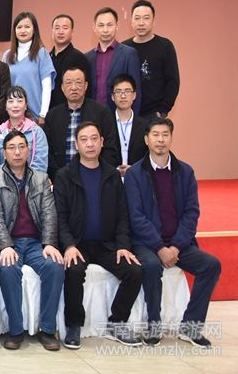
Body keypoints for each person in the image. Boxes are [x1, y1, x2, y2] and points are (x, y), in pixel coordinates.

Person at [125, 118, 221, 347]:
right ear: (146, 139)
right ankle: (154, 325)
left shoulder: (185, 172)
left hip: (179, 243)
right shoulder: (135, 174)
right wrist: (160, 248)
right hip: (147, 244)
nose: (160, 140)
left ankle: (190, 327)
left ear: (171, 138)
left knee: (211, 265)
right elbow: (136, 217)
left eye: (165, 134)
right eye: (155, 135)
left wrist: (176, 247)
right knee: (151, 265)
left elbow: (191, 213)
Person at [53, 122, 143, 349]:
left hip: (106, 244)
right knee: (73, 270)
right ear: (77, 145)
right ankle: (74, 325)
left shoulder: (112, 175)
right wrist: (69, 245)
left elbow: (123, 215)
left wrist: (123, 246)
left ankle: (117, 322)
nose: (90, 144)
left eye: (94, 139)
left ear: (102, 142)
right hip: (78, 243)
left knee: (134, 271)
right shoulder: (65, 176)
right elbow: (59, 218)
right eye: (84, 140)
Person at [0, 130, 64, 351]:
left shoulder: (40, 178)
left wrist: (49, 243)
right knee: (8, 269)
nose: (17, 152)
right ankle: (15, 330)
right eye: (12, 148)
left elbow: (49, 213)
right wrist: (5, 245)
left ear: (28, 150)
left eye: (21, 147)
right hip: (10, 242)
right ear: (4, 153)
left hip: (36, 242)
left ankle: (47, 329)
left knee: (55, 266)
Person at [44, 66, 120, 179]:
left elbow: (110, 149)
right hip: (61, 179)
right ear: (62, 88)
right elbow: (48, 152)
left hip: (96, 177)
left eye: (78, 82)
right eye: (69, 83)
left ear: (86, 86)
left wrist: (99, 174)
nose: (74, 87)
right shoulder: (52, 116)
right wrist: (59, 177)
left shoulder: (101, 112)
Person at [123, 0, 180, 118]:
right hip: (128, 114)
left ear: (154, 21)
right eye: (137, 18)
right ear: (131, 21)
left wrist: (162, 111)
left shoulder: (165, 46)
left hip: (154, 115)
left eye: (146, 18)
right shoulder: (123, 48)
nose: (141, 23)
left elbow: (173, 81)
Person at [2, 12, 56, 125]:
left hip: (35, 116)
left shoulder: (42, 53)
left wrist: (43, 114)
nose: (23, 30)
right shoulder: (7, 55)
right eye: (19, 27)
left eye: (27, 27)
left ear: (34, 30)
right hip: (12, 115)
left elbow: (47, 86)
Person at [84, 7, 142, 113]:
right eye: (101, 25)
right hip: (93, 116)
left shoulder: (129, 54)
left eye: (109, 25)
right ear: (94, 28)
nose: (105, 30)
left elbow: (136, 90)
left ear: (117, 26)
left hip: (120, 115)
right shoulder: (88, 57)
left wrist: (133, 120)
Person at [0, 86, 49, 172]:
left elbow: (40, 165)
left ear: (26, 106)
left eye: (19, 101)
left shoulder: (37, 132)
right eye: (11, 101)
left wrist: (26, 179)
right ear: (6, 106)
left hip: (32, 179)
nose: (15, 105)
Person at [111, 74, 148, 177]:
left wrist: (134, 170)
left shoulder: (145, 126)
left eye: (127, 91)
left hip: (138, 178)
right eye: (118, 91)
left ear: (134, 95)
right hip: (112, 179)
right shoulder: (105, 124)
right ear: (112, 97)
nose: (123, 96)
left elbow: (149, 156)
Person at [49, 14, 89, 109]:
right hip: (49, 112)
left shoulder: (79, 57)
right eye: (57, 28)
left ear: (72, 32)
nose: (60, 32)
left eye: (65, 28)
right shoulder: (46, 58)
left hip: (71, 110)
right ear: (52, 31)